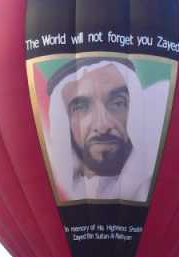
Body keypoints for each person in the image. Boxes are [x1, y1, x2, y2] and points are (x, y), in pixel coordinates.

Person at [42, 56, 169, 204]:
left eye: (117, 103)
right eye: (80, 108)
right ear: (64, 123)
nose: (103, 126)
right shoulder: (53, 192)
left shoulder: (161, 181)